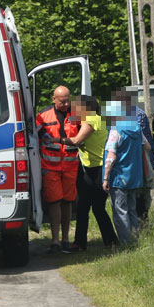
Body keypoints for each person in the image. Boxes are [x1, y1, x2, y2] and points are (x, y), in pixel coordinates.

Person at [55, 95, 118, 251]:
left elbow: (76, 141)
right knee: (89, 207)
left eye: (76, 107)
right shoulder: (99, 119)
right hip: (91, 169)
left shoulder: (91, 120)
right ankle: (105, 241)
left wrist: (56, 140)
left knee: (91, 207)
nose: (73, 110)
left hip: (96, 170)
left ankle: (101, 241)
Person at [36, 85, 80, 253]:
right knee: (54, 202)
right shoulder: (43, 114)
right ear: (54, 99)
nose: (66, 104)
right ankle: (55, 241)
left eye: (68, 101)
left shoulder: (76, 113)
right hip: (50, 166)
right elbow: (33, 130)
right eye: (62, 101)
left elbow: (86, 131)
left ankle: (66, 239)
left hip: (70, 165)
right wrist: (42, 135)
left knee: (68, 202)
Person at [102, 94, 149, 246]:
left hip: (119, 177)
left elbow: (111, 157)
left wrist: (105, 177)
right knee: (132, 210)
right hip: (134, 176)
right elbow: (147, 147)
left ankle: (126, 244)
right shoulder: (136, 128)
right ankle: (135, 238)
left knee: (120, 211)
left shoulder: (115, 131)